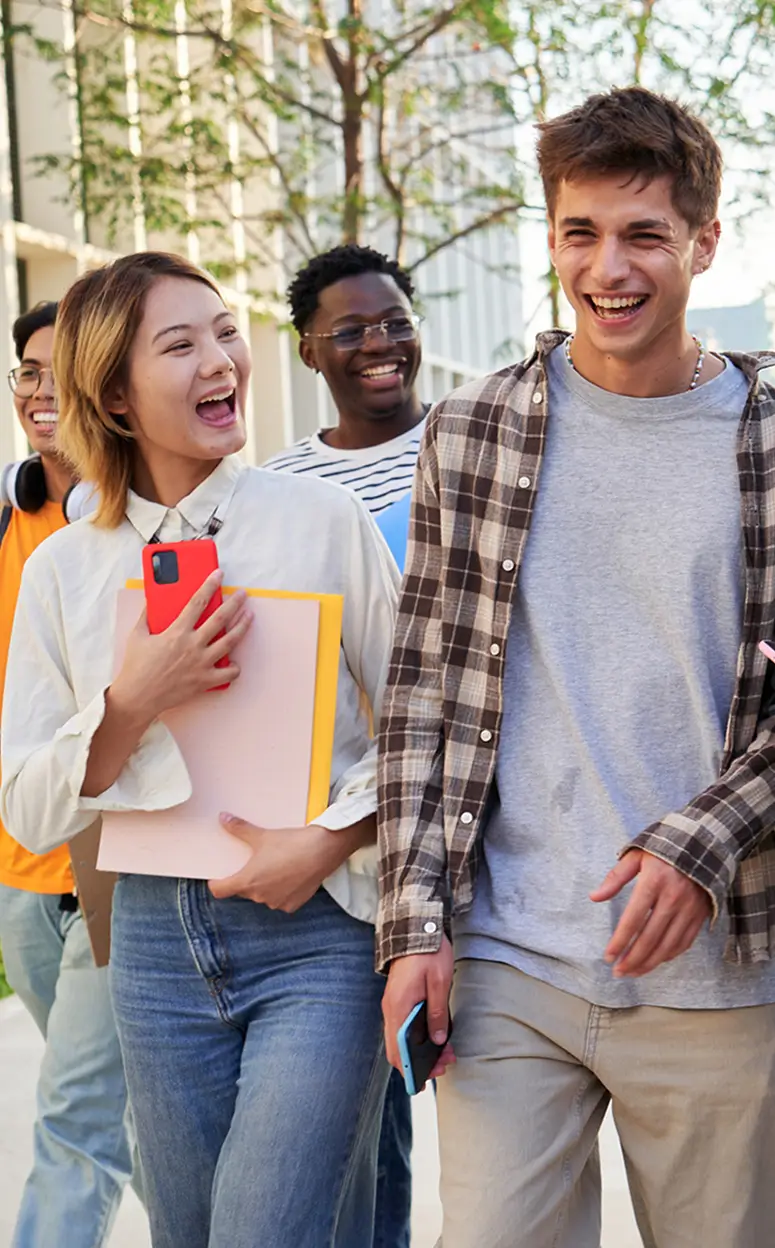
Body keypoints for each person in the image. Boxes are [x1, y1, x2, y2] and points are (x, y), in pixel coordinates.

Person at [378, 85, 775, 1248]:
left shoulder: (766, 436)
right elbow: (422, 699)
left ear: (704, 241)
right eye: (579, 232)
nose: (609, 268)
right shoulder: (473, 430)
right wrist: (414, 926)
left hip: (721, 978)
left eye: (644, 234)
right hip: (512, 958)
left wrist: (697, 840)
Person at [1, 251, 400, 1248]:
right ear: (116, 396)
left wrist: (326, 839)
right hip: (148, 942)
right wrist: (129, 703)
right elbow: (29, 805)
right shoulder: (63, 571)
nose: (223, 359)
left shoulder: (321, 521)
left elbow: (423, 729)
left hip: (318, 933)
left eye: (225, 332)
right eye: (181, 345)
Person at [265, 243, 428, 1248]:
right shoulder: (281, 484)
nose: (380, 343)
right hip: (345, 832)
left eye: (395, 319)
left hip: (455, 804)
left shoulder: (471, 440)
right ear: (309, 350)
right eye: (352, 330)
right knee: (370, 1119)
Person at [0, 301, 138, 1248]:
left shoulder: (136, 523)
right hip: (18, 867)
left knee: (78, 1116)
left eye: (61, 371)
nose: (42, 390)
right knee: (112, 1103)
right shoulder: (5, 521)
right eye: (27, 373)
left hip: (113, 862)